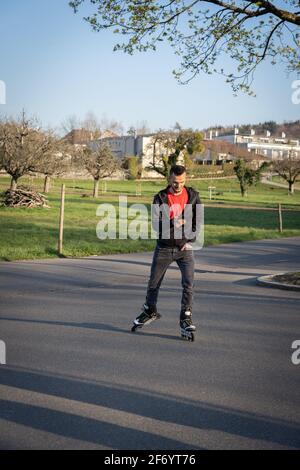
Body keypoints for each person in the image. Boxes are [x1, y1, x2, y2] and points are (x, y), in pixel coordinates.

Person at [132, 165, 202, 338]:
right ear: (169, 180)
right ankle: (150, 310)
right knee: (153, 284)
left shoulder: (193, 197)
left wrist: (190, 239)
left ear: (185, 179)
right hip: (163, 248)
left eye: (181, 182)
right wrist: (177, 222)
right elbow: (157, 226)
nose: (178, 185)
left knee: (189, 285)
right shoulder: (160, 198)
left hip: (184, 249)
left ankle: (186, 318)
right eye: (175, 182)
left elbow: (197, 222)